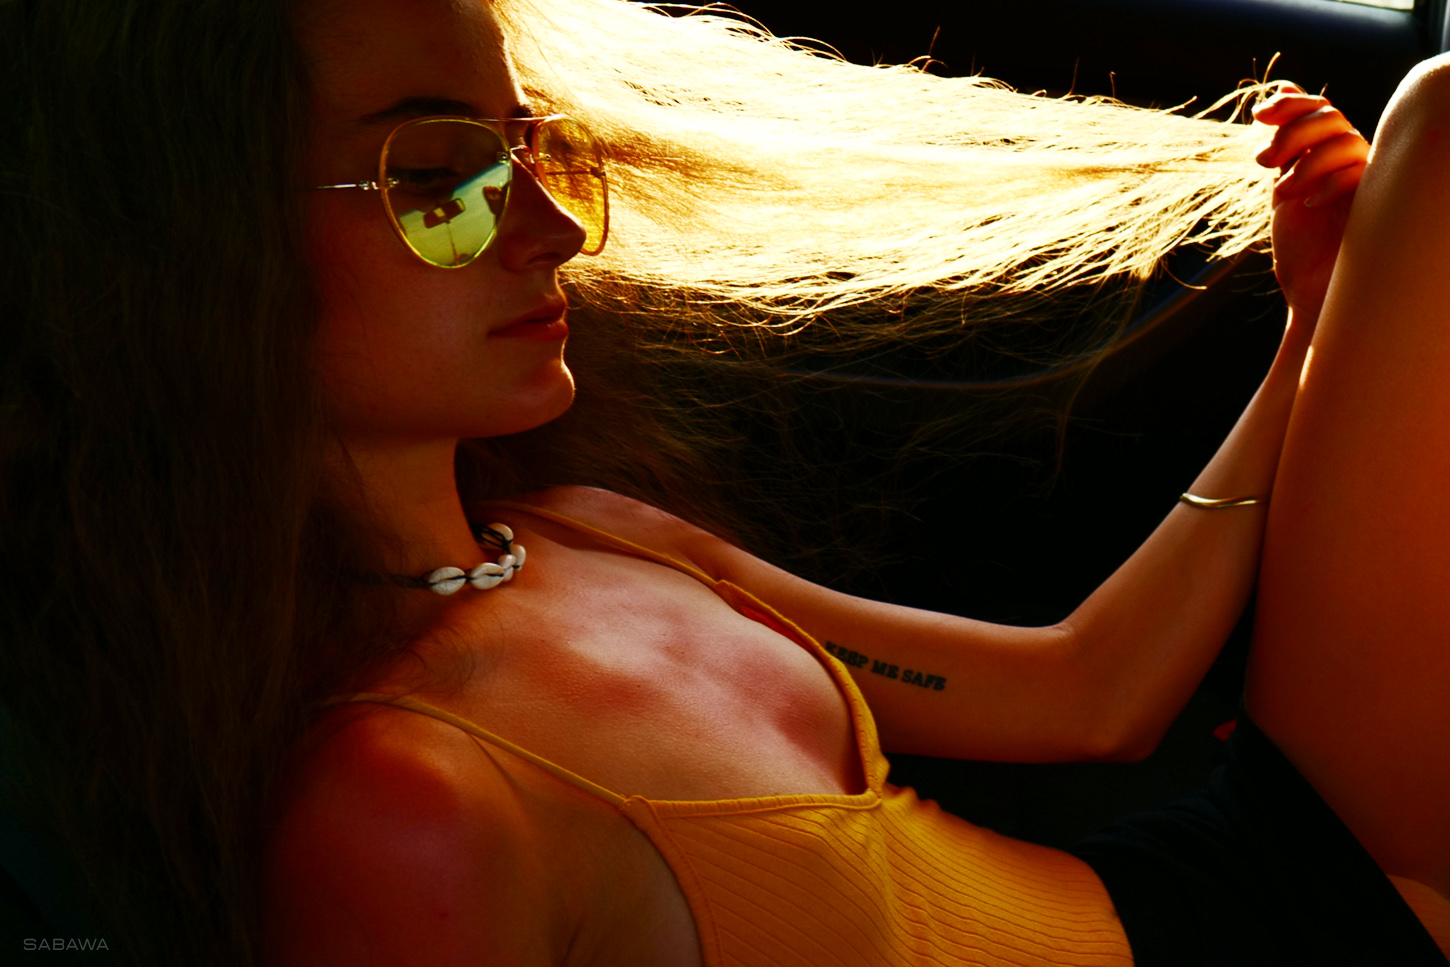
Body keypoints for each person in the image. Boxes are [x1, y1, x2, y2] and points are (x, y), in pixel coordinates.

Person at [1, 0, 1445, 964]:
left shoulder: (589, 539)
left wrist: (1307, 335)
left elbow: (1088, 696)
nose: (555, 229)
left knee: (1432, 135)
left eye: (526, 152)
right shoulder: (401, 809)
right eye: (435, 177)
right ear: (195, 256)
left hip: (1233, 881)